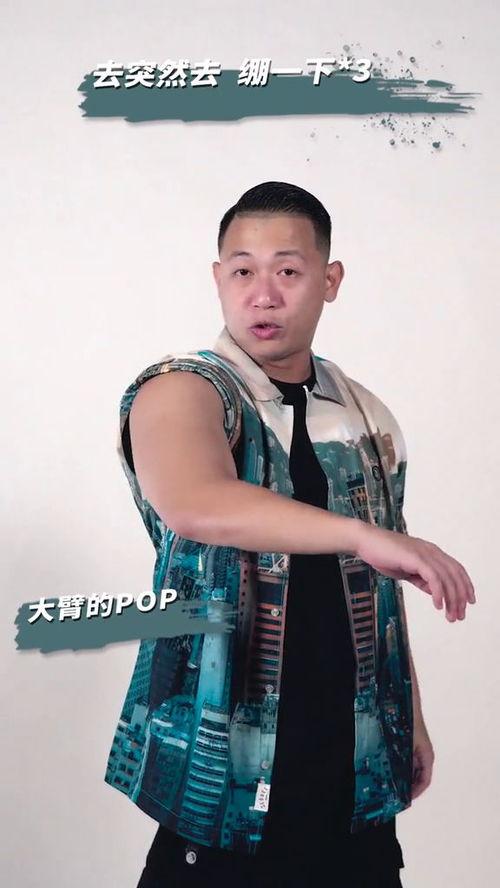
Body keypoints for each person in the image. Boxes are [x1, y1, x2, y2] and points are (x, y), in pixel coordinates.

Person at [105, 182, 475, 887]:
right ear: (218, 279)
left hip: (354, 771)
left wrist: (411, 716)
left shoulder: (363, 415)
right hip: (224, 772)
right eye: (243, 270)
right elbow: (194, 501)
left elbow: (381, 595)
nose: (264, 294)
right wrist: (359, 535)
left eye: (289, 270)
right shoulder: (182, 389)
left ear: (329, 281)